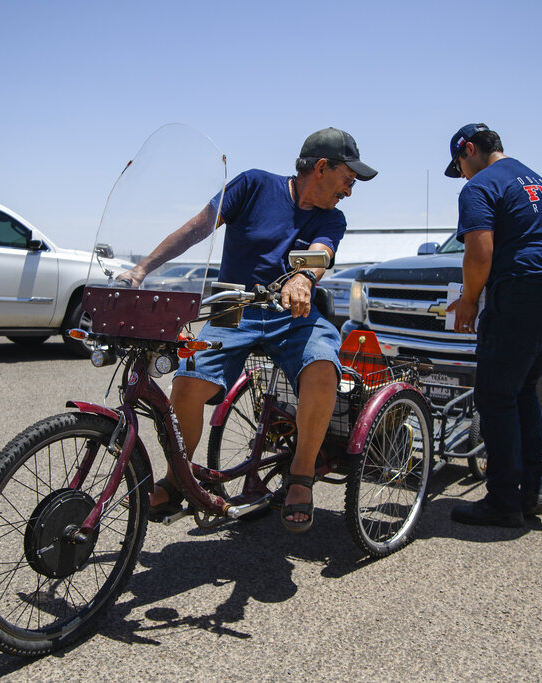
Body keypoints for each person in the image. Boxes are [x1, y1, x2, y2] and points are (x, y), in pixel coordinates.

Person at [121, 127, 377, 532]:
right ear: (323, 167)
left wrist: (302, 279)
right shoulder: (254, 184)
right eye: (348, 178)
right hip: (233, 308)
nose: (350, 189)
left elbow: (321, 252)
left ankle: (301, 476)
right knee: (186, 385)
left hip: (293, 313)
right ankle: (178, 476)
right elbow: (198, 227)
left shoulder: (332, 218)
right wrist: (140, 270)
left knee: (323, 368)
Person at [444, 123, 542, 528]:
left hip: (523, 295)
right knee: (521, 389)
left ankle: (503, 500)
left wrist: (468, 301)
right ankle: (536, 487)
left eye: (460, 165)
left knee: (494, 396)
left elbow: (479, 250)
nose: (463, 175)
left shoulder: (480, 186)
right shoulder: (540, 183)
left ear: (468, 149)